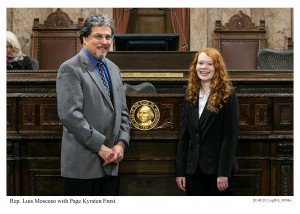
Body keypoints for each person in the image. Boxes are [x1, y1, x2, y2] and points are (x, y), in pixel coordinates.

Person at [56, 14, 131, 196]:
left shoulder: (114, 69)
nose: (104, 41)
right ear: (84, 38)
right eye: (98, 36)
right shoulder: (70, 68)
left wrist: (121, 143)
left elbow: (122, 112)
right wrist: (100, 147)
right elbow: (70, 115)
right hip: (83, 166)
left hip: (111, 163)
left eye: (108, 37)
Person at [175, 47, 239, 196]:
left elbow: (229, 138)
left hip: (217, 171)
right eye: (200, 63)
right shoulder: (190, 94)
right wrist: (181, 171)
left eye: (209, 64)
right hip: (193, 170)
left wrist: (223, 172)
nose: (203, 68)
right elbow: (184, 137)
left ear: (217, 68)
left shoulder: (227, 95)